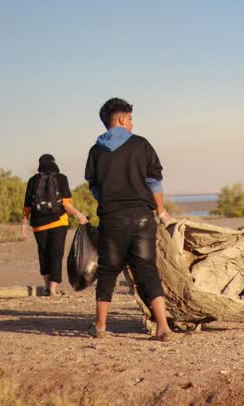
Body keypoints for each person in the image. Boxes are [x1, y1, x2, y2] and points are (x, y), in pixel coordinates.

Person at [85, 97, 175, 341]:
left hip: (112, 218)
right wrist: (161, 211)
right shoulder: (141, 145)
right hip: (141, 218)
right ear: (122, 119)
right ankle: (163, 327)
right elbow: (154, 180)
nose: (132, 124)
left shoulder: (95, 151)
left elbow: (94, 187)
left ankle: (100, 326)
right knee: (147, 269)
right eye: (131, 119)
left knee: (107, 271)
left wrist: (108, 200)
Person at [22, 154, 89, 297]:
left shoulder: (33, 181)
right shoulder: (61, 178)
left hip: (38, 225)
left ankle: (47, 287)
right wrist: (78, 215)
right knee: (56, 254)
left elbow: (27, 205)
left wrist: (24, 224)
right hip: (59, 222)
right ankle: (52, 289)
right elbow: (66, 204)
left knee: (43, 254)